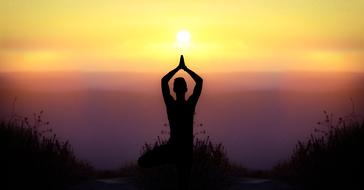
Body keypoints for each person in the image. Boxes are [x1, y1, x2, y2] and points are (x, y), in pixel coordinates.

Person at [138, 55, 203, 189]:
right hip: (185, 151)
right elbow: (199, 82)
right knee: (183, 183)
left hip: (172, 149)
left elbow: (163, 81)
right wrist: (185, 69)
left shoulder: (171, 105)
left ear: (173, 90)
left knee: (142, 161)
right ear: (186, 89)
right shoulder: (190, 105)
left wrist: (177, 68)